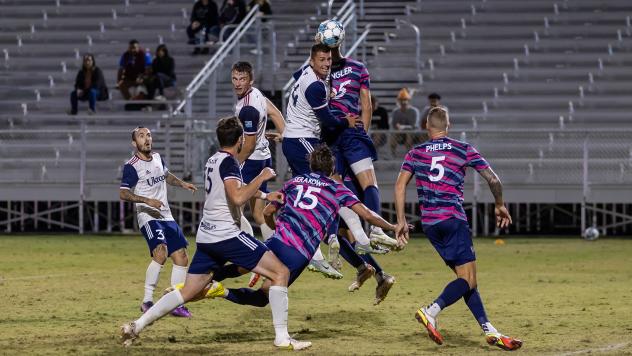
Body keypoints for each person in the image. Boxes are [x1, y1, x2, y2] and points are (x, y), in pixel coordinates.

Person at [120, 117, 311, 350]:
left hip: (207, 236)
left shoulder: (214, 159)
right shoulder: (229, 163)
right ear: (240, 140)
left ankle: (135, 326)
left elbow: (231, 191)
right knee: (280, 272)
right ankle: (282, 337)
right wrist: (262, 178)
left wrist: (263, 196)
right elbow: (238, 197)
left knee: (188, 291)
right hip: (226, 235)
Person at [183, 145, 400, 325]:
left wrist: (275, 229)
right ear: (332, 167)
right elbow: (368, 215)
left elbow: (268, 211)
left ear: (311, 165)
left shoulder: (294, 183)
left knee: (238, 268)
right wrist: (392, 226)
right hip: (297, 253)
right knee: (263, 297)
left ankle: (194, 284)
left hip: (276, 242)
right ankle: (220, 292)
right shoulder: (337, 188)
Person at [393, 108, 523, 351]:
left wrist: (400, 220)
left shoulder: (415, 152)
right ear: (448, 126)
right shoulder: (462, 148)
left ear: (426, 126)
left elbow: (399, 186)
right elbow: (493, 179)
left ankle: (489, 329)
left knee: (467, 280)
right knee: (467, 279)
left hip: (430, 225)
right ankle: (431, 311)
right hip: (453, 219)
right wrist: (499, 205)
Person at [282, 44, 372, 279]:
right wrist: (347, 121)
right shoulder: (314, 85)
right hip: (302, 139)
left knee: (310, 194)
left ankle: (319, 254)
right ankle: (352, 237)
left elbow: (298, 77)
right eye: (321, 60)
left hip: (296, 139)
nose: (326, 64)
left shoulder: (306, 74)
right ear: (311, 61)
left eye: (328, 61)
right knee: (332, 184)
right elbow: (329, 121)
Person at [324, 38, 399, 303]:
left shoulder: (319, 70)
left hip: (333, 141)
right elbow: (366, 105)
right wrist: (362, 133)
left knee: (336, 224)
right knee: (344, 220)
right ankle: (376, 272)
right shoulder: (357, 67)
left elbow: (362, 106)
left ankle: (370, 258)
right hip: (346, 138)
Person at [119, 127, 198, 318]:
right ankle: (147, 301)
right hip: (148, 215)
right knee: (161, 252)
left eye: (148, 135)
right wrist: (147, 201)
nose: (146, 139)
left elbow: (166, 175)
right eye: (141, 136)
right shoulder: (132, 165)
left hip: (166, 215)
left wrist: (182, 184)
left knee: (181, 256)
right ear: (134, 143)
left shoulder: (157, 157)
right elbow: (123, 193)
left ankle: (175, 301)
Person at [230, 61, 285, 286]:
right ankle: (273, 257)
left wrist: (232, 163)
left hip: (251, 160)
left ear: (250, 80)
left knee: (233, 205)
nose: (238, 83)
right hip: (262, 158)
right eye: (234, 79)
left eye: (242, 79)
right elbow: (276, 113)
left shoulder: (248, 107)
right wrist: (286, 136)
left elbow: (249, 145)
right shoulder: (258, 95)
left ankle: (253, 258)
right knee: (258, 214)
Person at [390, 88, 421, 157]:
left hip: (414, 134)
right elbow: (393, 124)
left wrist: (403, 127)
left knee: (409, 133)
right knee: (393, 135)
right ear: (399, 101)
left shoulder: (414, 111)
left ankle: (409, 155)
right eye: (401, 100)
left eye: (405, 100)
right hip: (400, 133)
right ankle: (393, 154)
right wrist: (398, 127)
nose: (403, 102)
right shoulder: (395, 112)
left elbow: (415, 126)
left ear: (408, 101)